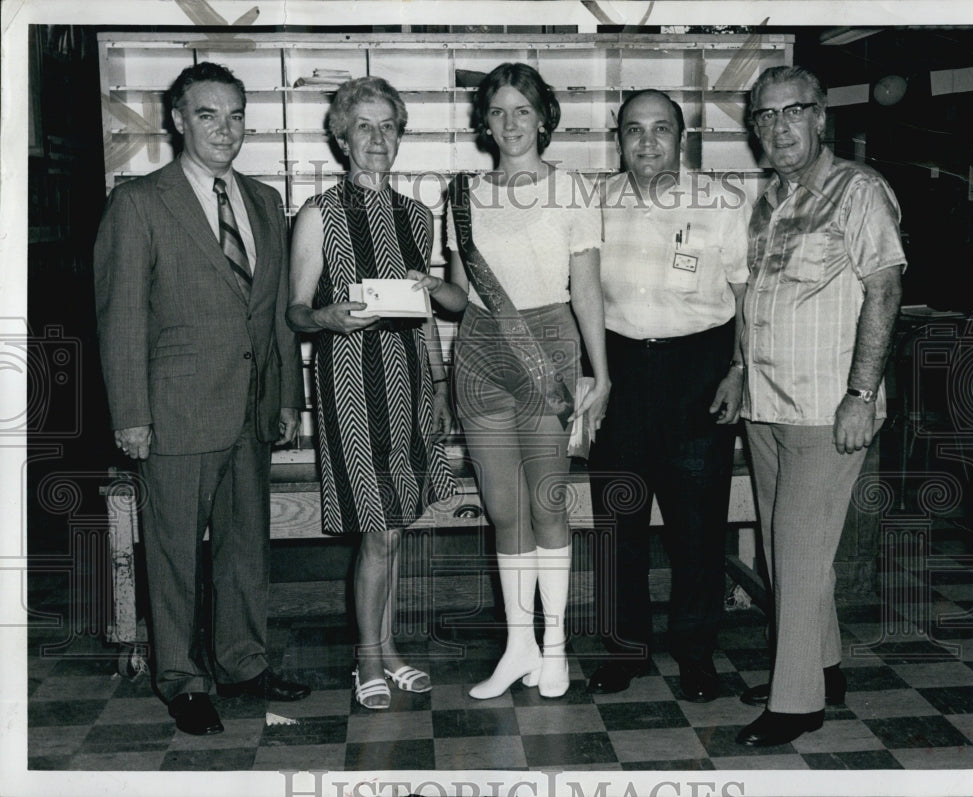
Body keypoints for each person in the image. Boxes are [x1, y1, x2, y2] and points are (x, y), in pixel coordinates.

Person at [94, 62, 310, 736]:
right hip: (175, 413)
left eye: (237, 113)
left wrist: (287, 394)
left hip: (250, 408)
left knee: (247, 546)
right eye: (209, 114)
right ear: (179, 120)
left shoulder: (266, 201)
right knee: (174, 553)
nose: (226, 128)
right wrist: (131, 414)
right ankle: (183, 678)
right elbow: (121, 316)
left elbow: (272, 312)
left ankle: (244, 661)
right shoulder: (139, 203)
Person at [736, 65, 905, 746]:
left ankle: (798, 701)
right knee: (787, 552)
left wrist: (861, 395)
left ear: (820, 117)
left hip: (827, 404)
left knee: (800, 550)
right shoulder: (768, 198)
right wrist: (735, 371)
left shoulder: (858, 190)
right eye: (765, 116)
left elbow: (885, 292)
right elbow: (758, 299)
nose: (778, 127)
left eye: (791, 112)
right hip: (765, 401)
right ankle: (822, 666)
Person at [286, 77, 459, 710]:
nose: (377, 137)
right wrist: (329, 317)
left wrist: (439, 386)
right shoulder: (319, 215)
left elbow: (424, 311)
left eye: (388, 125)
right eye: (364, 125)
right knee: (378, 529)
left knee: (396, 525)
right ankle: (368, 660)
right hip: (351, 381)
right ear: (340, 136)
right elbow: (297, 312)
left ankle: (385, 650)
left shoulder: (417, 215)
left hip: (410, 379)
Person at [444, 63, 611, 700]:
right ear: (483, 123)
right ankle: (518, 647)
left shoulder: (572, 191)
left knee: (547, 503)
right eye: (498, 111)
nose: (510, 123)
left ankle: (556, 649)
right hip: (480, 351)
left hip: (549, 345)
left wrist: (601, 372)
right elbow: (459, 296)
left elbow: (588, 288)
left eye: (522, 110)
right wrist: (421, 289)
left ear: (544, 117)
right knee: (503, 508)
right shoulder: (463, 194)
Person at [586, 91, 749, 702]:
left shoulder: (724, 203)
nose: (647, 142)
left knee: (698, 528)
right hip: (619, 373)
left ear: (682, 137)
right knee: (618, 522)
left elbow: (746, 296)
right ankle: (626, 649)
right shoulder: (594, 203)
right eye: (634, 130)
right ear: (618, 138)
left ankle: (697, 653)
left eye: (660, 129)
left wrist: (739, 370)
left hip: (699, 373)